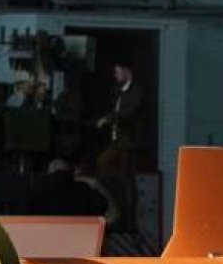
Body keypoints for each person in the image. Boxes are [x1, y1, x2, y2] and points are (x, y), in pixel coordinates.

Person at [95, 62, 147, 228]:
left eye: (118, 72)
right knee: (104, 163)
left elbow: (128, 113)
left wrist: (108, 120)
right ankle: (115, 204)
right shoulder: (118, 91)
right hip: (118, 140)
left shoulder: (136, 91)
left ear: (127, 72)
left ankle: (129, 218)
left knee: (127, 179)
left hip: (129, 142)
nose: (115, 76)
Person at [26, 158, 110, 218]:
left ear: (49, 171)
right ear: (70, 171)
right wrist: (97, 185)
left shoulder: (35, 191)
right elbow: (109, 212)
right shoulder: (84, 189)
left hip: (44, 236)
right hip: (80, 236)